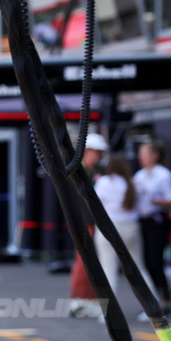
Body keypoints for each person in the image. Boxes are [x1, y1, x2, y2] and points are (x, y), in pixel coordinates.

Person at [94, 151, 147, 311]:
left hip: (108, 227)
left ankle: (108, 312)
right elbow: (143, 208)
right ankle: (152, 307)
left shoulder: (103, 182)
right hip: (130, 227)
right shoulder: (134, 183)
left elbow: (95, 204)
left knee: (107, 269)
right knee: (138, 268)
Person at [133, 139, 171, 316]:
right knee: (146, 261)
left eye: (145, 153)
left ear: (155, 155)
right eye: (140, 154)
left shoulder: (163, 175)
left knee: (156, 260)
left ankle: (166, 300)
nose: (141, 157)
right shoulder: (139, 175)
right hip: (142, 221)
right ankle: (156, 298)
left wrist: (154, 200)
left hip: (159, 221)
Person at [68, 134, 108, 317]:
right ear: (88, 151)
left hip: (92, 221)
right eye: (97, 152)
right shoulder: (78, 171)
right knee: (84, 262)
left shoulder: (94, 172)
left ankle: (89, 300)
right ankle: (78, 300)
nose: (99, 156)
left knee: (93, 262)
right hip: (84, 222)